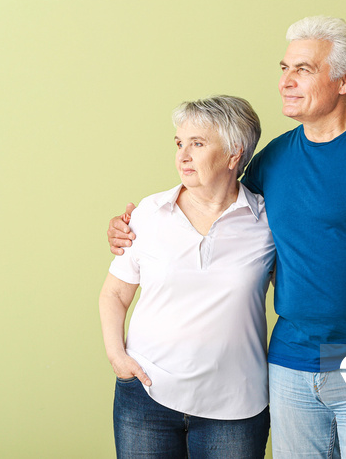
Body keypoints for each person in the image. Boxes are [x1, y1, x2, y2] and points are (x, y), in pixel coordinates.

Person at [108, 17, 346, 458]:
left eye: (303, 69)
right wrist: (131, 227)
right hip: (289, 367)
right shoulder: (273, 160)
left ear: (345, 80)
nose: (285, 82)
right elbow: (214, 208)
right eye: (284, 68)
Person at [99, 95, 276, 458]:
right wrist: (118, 358)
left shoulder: (268, 221)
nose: (183, 155)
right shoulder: (148, 213)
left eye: (197, 143)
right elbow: (115, 294)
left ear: (234, 154)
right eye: (180, 143)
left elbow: (304, 286)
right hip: (146, 396)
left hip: (236, 408)